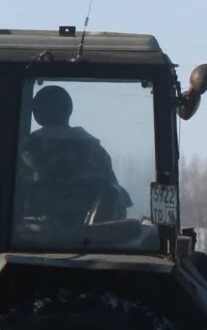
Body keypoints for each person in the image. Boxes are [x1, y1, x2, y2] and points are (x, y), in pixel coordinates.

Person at [13, 84, 129, 235]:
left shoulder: (28, 150)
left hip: (37, 238)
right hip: (87, 240)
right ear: (69, 111)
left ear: (36, 114)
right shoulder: (96, 152)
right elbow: (115, 197)